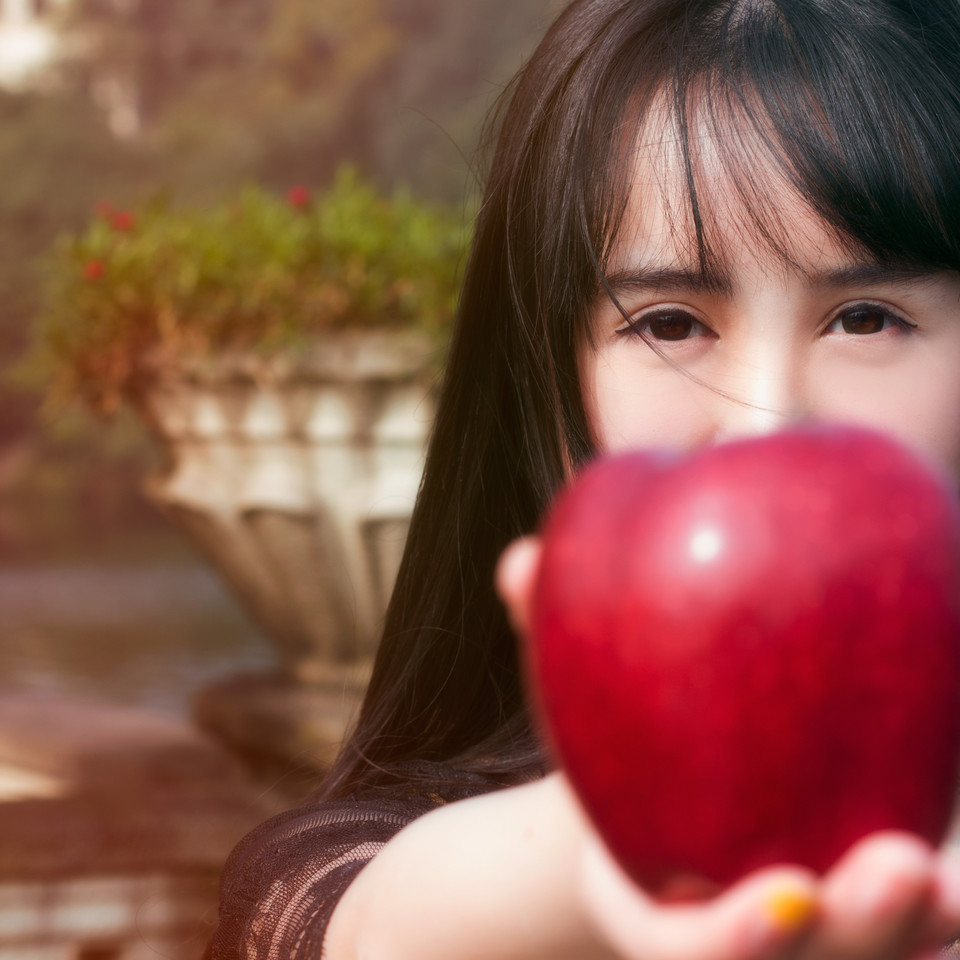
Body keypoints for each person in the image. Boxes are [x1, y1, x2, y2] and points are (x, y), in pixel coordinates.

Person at [206, 0, 960, 957]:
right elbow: (354, 925)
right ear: (545, 378)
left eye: (865, 318)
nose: (766, 421)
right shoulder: (357, 868)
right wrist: (627, 836)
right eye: (670, 324)